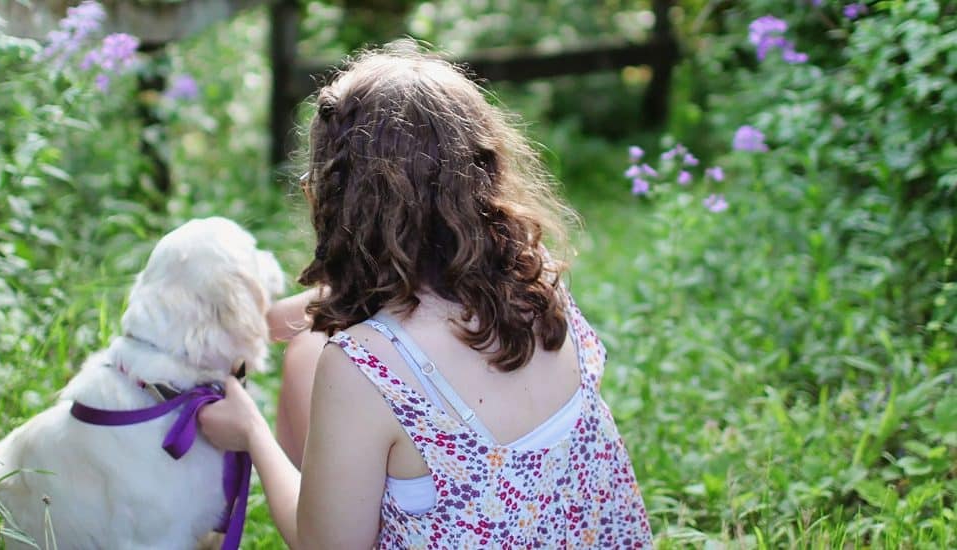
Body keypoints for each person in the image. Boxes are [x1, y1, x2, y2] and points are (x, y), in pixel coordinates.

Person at [198, 44, 652, 548]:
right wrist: (263, 322)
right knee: (305, 344)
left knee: (306, 356)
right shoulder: (538, 281)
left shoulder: (363, 368)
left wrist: (251, 432)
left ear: (340, 200)